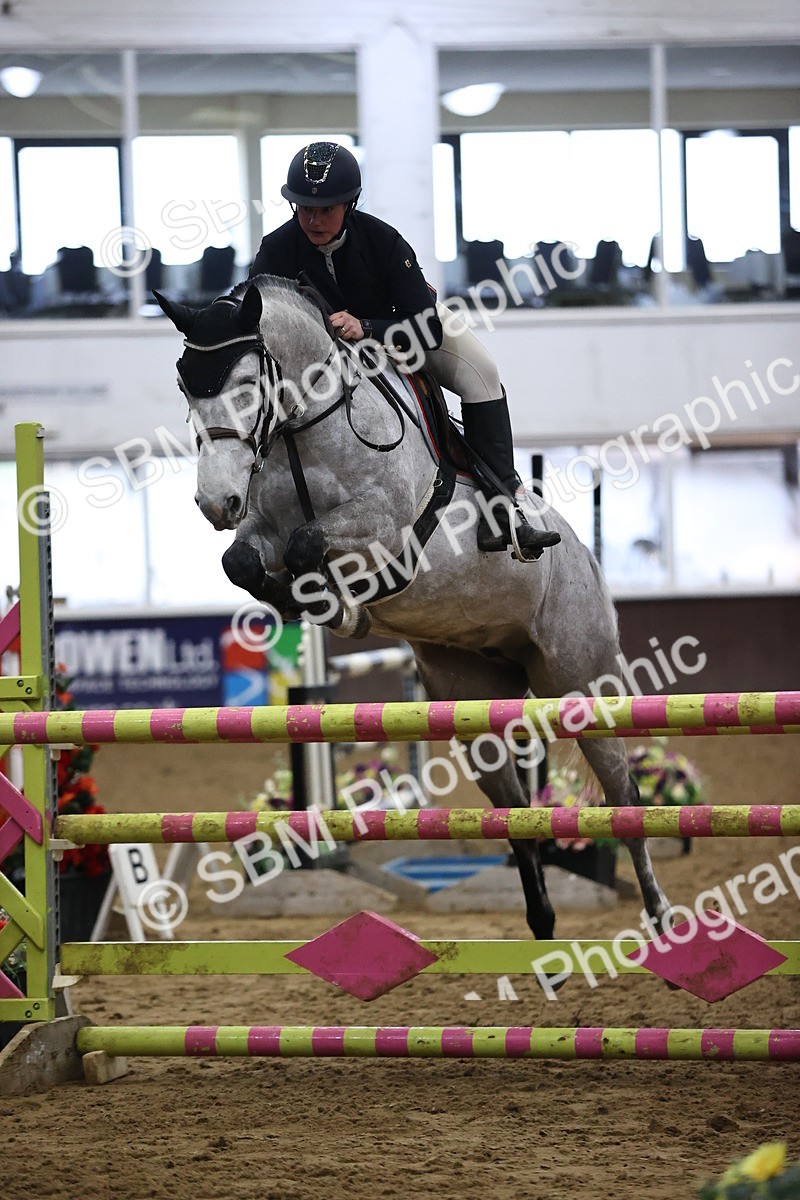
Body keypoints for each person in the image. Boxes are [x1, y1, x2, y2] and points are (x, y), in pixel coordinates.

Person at [250, 141, 560, 561]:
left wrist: (368, 328)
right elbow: (260, 320)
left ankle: (502, 504)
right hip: (326, 356)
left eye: (326, 209)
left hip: (405, 331)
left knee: (481, 372)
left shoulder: (383, 241)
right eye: (305, 208)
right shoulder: (276, 250)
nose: (313, 219)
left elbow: (427, 327)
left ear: (349, 204)